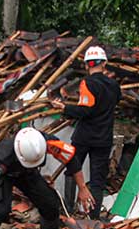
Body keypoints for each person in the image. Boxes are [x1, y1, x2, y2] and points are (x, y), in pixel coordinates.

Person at [49, 45, 121, 218]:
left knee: (72, 169)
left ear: (87, 65)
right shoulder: (114, 86)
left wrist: (64, 108)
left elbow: (85, 110)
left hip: (84, 137)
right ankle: (94, 218)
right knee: (97, 180)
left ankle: (68, 209)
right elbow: (115, 101)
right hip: (104, 138)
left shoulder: (87, 83)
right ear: (104, 63)